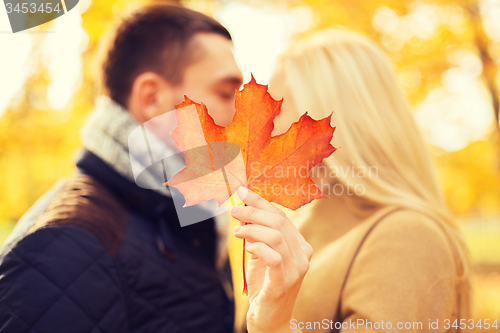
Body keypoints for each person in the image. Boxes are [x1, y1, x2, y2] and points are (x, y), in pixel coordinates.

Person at [0, 4, 253, 332]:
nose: (241, 115)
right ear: (151, 98)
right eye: (227, 92)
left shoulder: (189, 219)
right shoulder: (62, 246)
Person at [230, 29, 471, 332]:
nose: (263, 132)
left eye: (276, 112)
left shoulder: (408, 238)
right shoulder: (296, 228)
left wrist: (275, 326)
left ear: (336, 124)